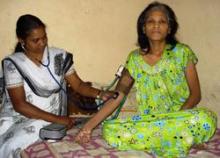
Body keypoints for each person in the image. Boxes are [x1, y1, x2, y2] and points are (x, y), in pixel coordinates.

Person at [75, 1, 217, 157]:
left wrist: (175, 119)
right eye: (151, 21)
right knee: (109, 130)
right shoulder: (134, 59)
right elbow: (118, 95)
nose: (156, 26)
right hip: (150, 121)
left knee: (206, 119)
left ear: (169, 28)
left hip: (181, 117)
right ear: (144, 28)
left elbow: (196, 95)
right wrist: (88, 127)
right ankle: (179, 138)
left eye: (162, 22)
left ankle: (170, 135)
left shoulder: (183, 52)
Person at [0, 14, 114, 158]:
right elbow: (20, 105)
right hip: (20, 117)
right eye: (35, 40)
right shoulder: (13, 63)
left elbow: (78, 85)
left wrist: (101, 94)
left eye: (44, 37)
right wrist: (58, 119)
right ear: (22, 41)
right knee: (11, 145)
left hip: (50, 119)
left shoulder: (59, 56)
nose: (42, 43)